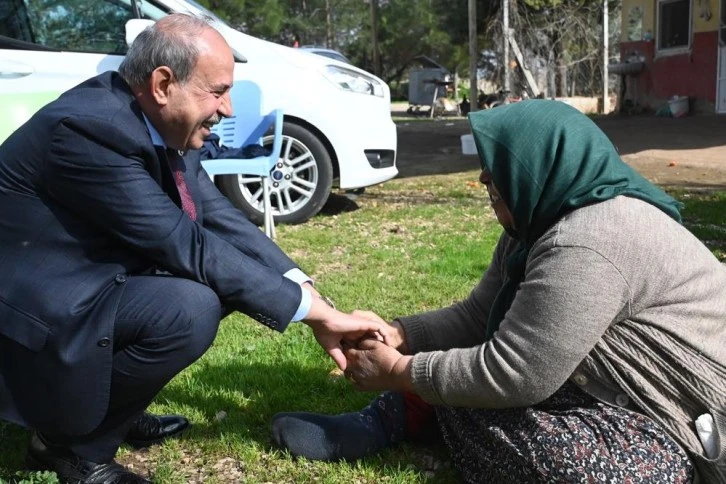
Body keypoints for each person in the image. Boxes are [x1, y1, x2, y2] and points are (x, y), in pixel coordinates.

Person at [0, 14, 388, 484]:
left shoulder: (156, 121)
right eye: (218, 91)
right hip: (31, 310)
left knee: (220, 285)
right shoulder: (91, 132)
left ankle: (108, 411)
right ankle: (70, 447)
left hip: (84, 278)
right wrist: (313, 316)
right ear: (163, 84)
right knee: (189, 307)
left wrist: (308, 292)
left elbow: (221, 221)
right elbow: (185, 244)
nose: (226, 108)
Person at [271, 100, 726, 483]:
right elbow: (476, 316)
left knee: (593, 468)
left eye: (497, 169)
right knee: (472, 380)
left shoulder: (590, 239)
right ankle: (400, 416)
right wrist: (399, 334)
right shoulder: (536, 222)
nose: (486, 180)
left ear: (540, 163)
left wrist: (402, 372)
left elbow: (518, 372)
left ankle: (413, 413)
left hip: (673, 415)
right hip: (610, 386)